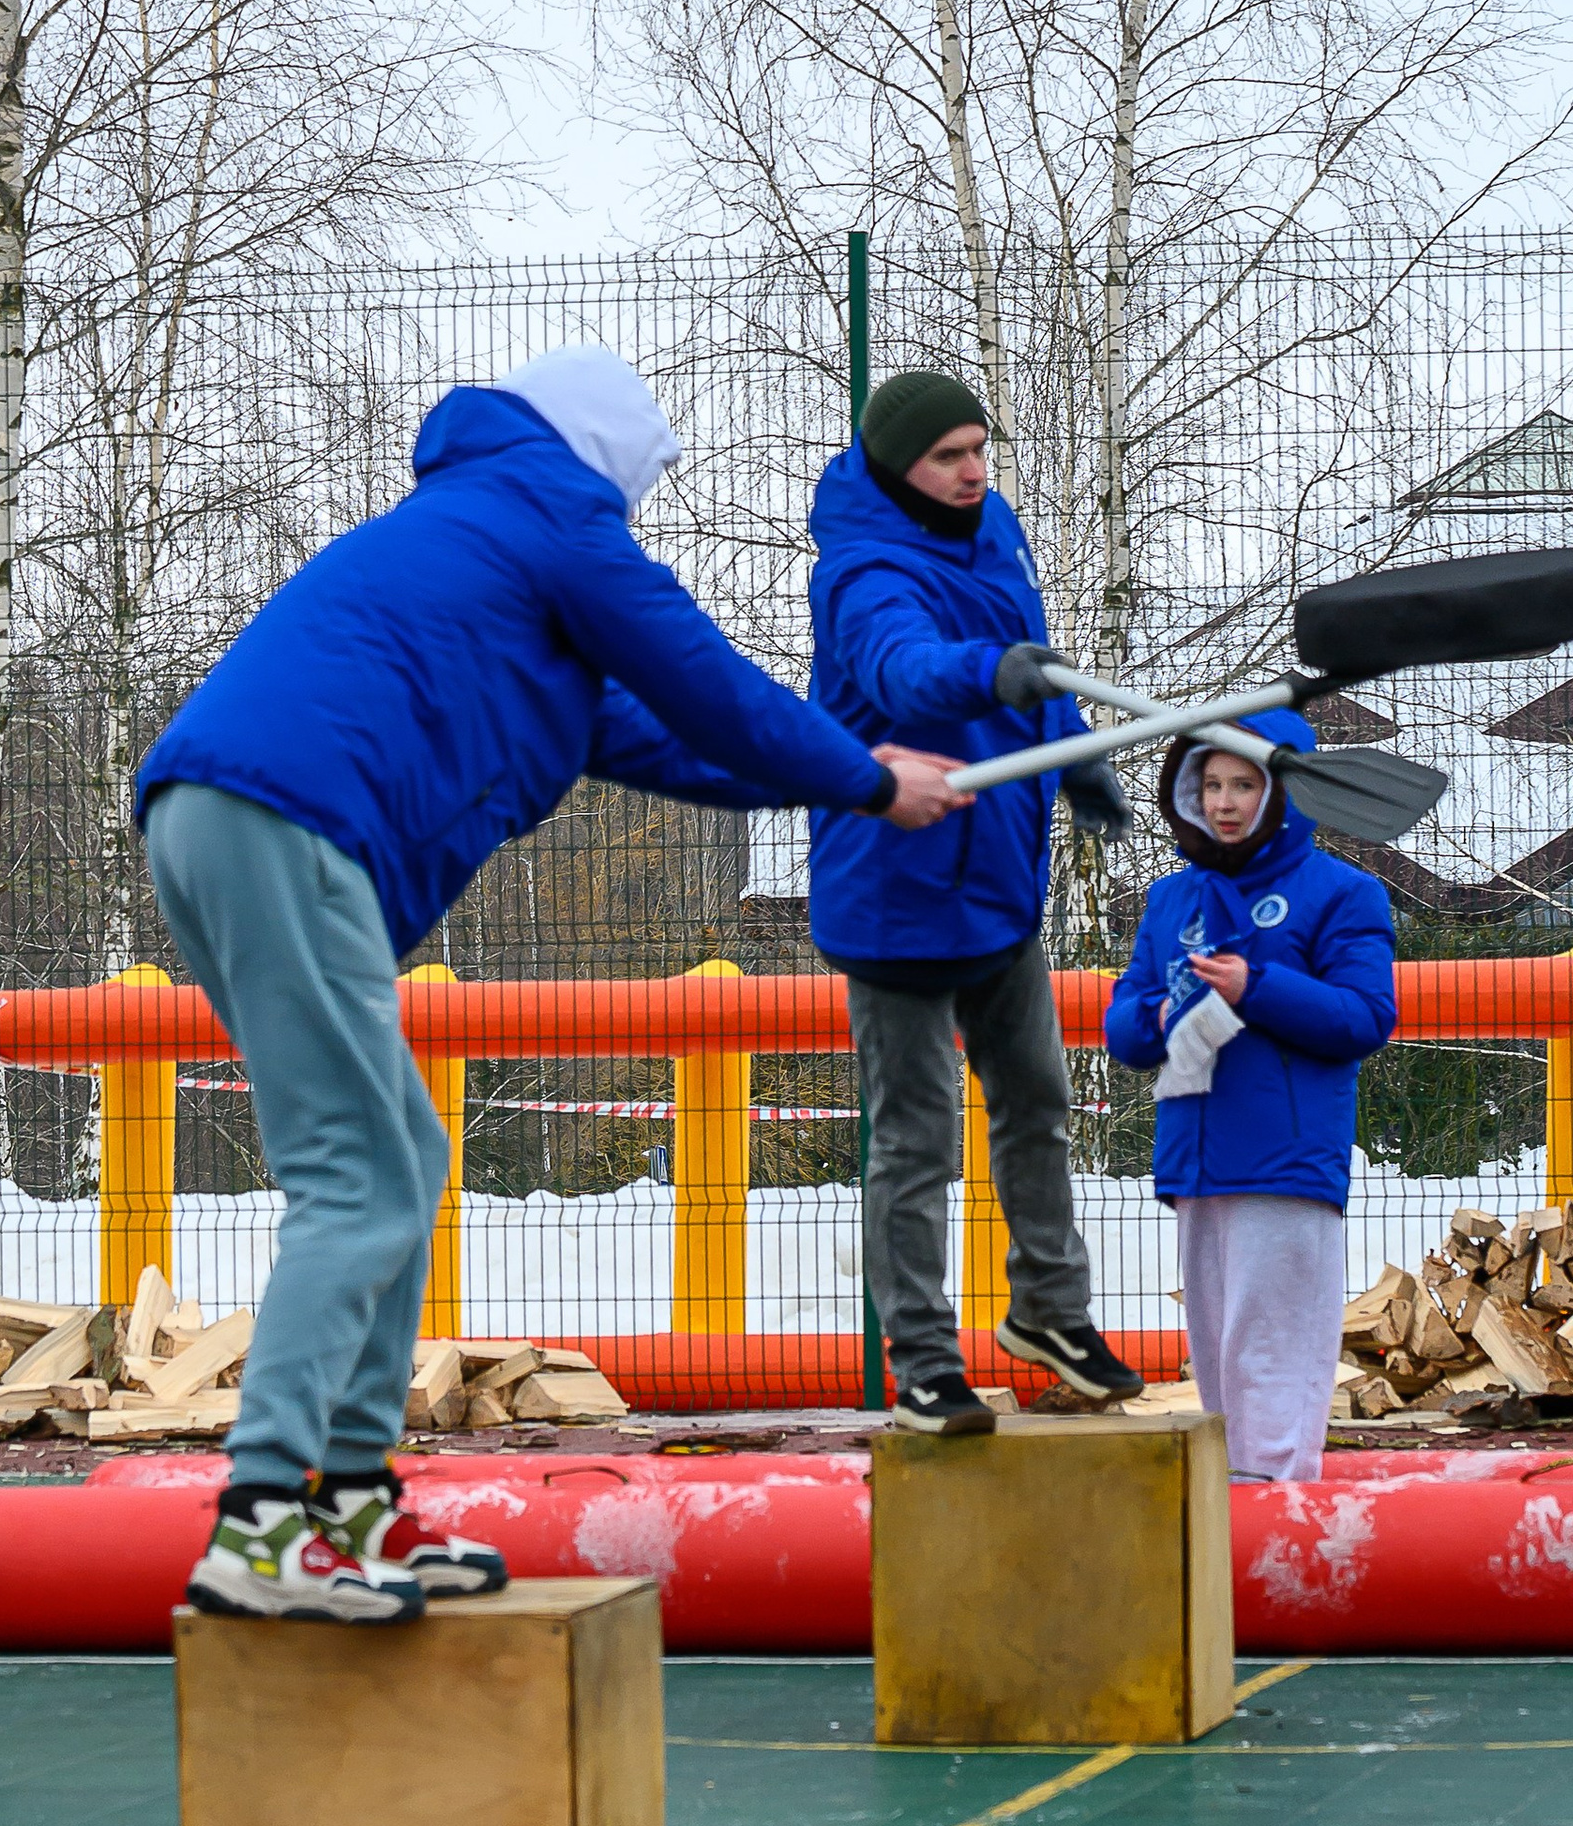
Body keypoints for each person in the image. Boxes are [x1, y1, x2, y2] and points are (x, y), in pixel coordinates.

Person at [135, 345, 962, 1620]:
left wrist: (854, 760)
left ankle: (350, 1507)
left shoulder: (499, 557)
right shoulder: (548, 514)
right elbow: (707, 683)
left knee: (399, 1162)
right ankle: (259, 1528)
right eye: (637, 484)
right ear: (601, 455)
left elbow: (673, 739)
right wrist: (867, 781)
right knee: (353, 1177)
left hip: (244, 820)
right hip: (281, 819)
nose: (635, 511)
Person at [807, 368, 1143, 1434]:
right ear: (897, 463)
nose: (972, 471)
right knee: (914, 1138)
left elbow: (1029, 663)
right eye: (948, 455)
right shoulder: (862, 572)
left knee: (1037, 1104)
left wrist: (1071, 754)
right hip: (896, 889)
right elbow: (907, 674)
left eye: (979, 449)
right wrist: (989, 670)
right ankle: (921, 1358)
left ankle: (1049, 1310)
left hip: (998, 883)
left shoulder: (991, 529)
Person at [1102, 715, 1396, 1485]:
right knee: (1220, 1352)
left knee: (1272, 1347)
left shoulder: (1343, 892)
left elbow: (1364, 1017)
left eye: (1243, 784)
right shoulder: (1172, 900)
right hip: (1196, 1163)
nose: (1224, 801)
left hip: (1287, 1163)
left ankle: (1277, 1520)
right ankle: (1236, 1523)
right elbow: (1125, 1026)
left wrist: (1254, 986)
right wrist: (1159, 1015)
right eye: (1211, 784)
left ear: (1280, 791)